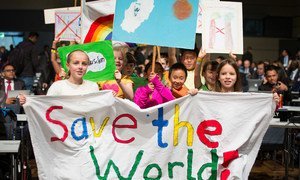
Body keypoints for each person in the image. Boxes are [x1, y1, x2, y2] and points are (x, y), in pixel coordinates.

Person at [19, 50, 99, 104]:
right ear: (68, 66)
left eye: (84, 64)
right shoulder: (57, 86)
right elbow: (45, 107)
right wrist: (28, 102)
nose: (80, 67)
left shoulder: (93, 86)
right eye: (76, 63)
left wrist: (110, 98)